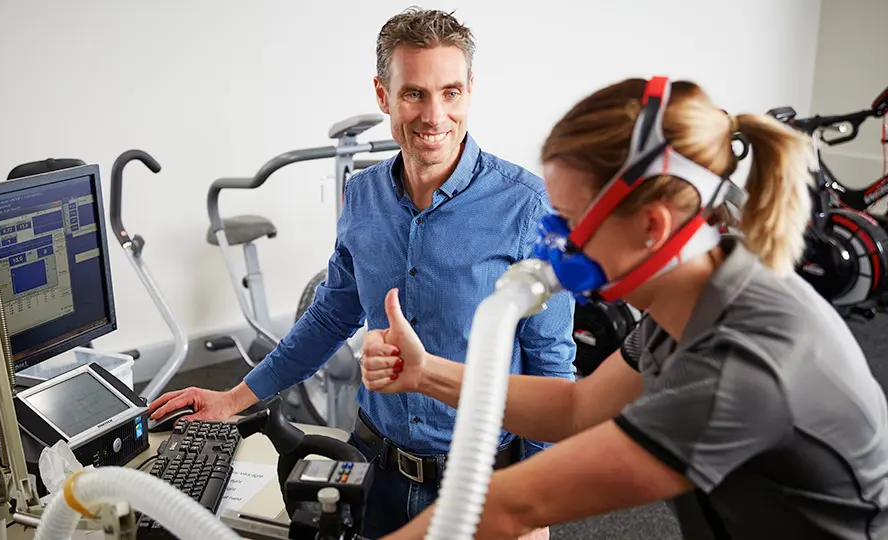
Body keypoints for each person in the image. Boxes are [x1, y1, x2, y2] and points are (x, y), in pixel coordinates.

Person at [362, 76, 888, 539]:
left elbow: (508, 505)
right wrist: (425, 372)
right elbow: (578, 408)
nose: (554, 243)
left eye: (568, 220)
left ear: (651, 227)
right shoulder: (701, 291)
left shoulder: (741, 365)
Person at [148, 7, 575, 539]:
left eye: (450, 93)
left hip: (482, 480)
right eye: (414, 93)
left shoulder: (527, 207)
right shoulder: (363, 195)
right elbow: (331, 315)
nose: (434, 115)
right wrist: (235, 398)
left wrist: (539, 500)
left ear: (470, 91)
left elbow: (552, 366)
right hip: (377, 469)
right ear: (382, 95)